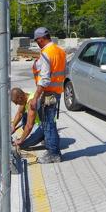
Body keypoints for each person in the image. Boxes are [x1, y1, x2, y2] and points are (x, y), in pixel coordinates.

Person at [30, 27, 66, 163]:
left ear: (41, 39)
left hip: (48, 93)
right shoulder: (60, 51)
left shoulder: (46, 53)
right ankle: (52, 149)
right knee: (50, 123)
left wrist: (35, 97)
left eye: (37, 41)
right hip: (56, 92)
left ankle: (54, 154)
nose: (37, 43)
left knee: (48, 124)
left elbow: (44, 78)